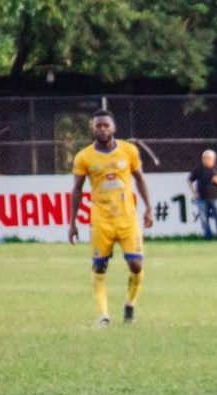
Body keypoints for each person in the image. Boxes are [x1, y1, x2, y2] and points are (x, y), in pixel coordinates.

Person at [68, 109, 153, 328]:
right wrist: (72, 223)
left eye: (106, 125)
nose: (103, 129)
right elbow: (76, 189)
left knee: (135, 264)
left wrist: (149, 208)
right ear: (93, 129)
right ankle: (103, 316)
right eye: (99, 125)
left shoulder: (128, 150)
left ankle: (130, 305)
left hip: (127, 219)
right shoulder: (84, 157)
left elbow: (140, 179)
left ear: (113, 127)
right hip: (101, 220)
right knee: (99, 268)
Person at [188, 149, 217, 240]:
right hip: (202, 198)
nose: (205, 160)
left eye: (207, 158)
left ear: (213, 159)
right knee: (204, 219)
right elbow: (190, 180)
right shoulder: (198, 169)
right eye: (204, 158)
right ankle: (208, 237)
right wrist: (194, 192)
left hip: (215, 197)